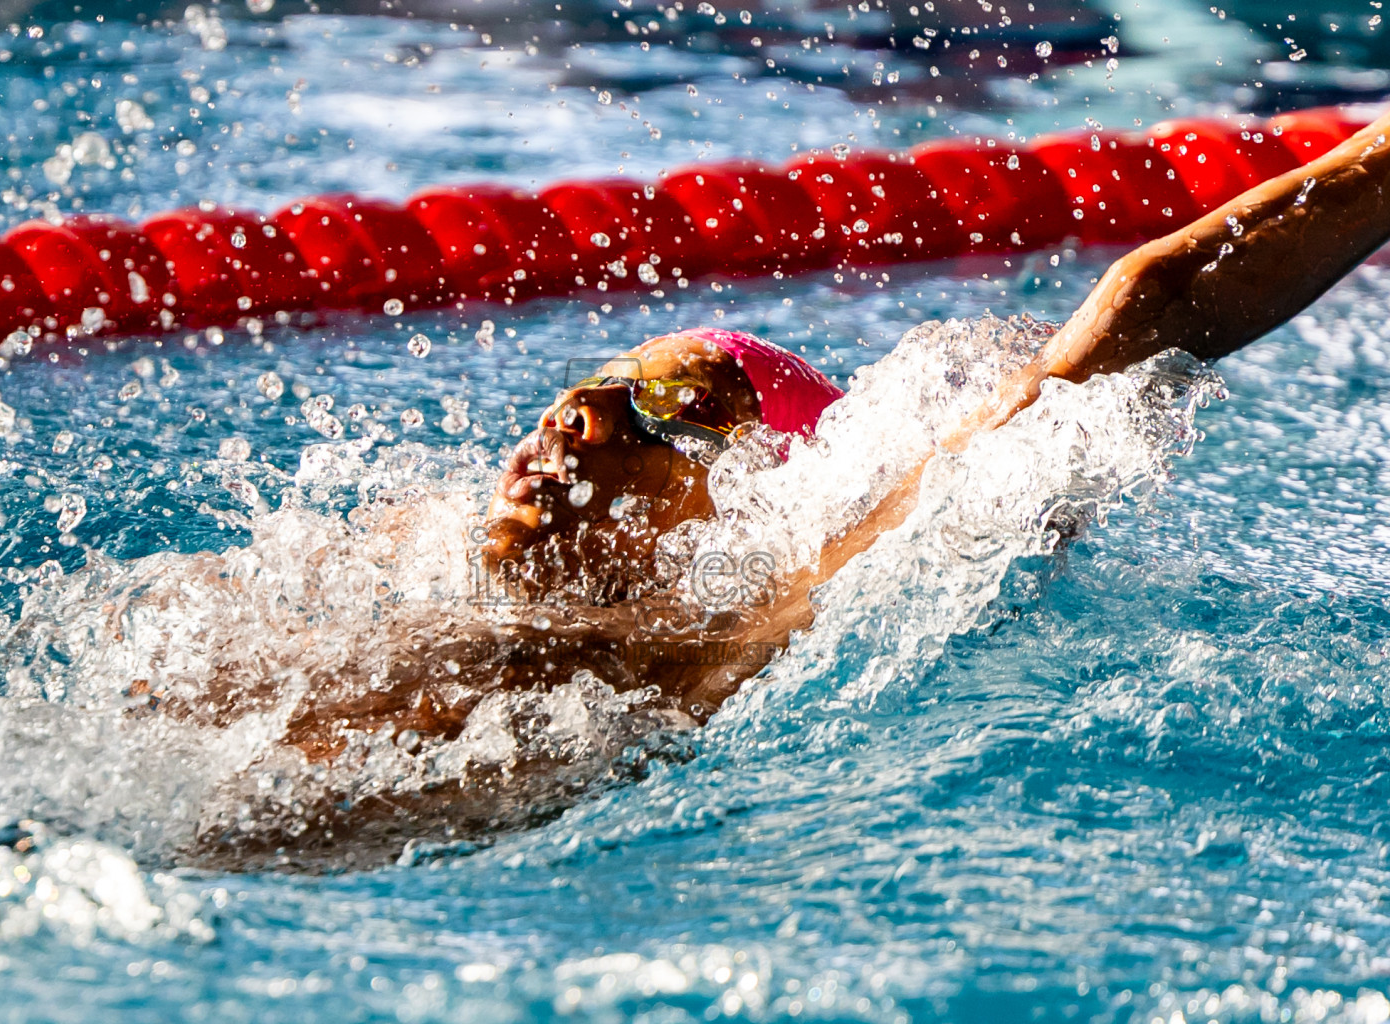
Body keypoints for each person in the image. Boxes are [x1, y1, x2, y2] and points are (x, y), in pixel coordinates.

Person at [179, 108, 1390, 863]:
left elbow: (1136, 318)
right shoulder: (369, 565)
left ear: (735, 510)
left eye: (674, 407)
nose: (584, 409)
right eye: (597, 383)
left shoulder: (713, 646)